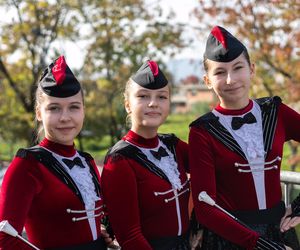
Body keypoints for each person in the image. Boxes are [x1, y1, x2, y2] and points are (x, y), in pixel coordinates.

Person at [189, 25, 300, 250]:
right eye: (220, 72)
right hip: (229, 239)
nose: (230, 79)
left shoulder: (276, 112)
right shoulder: (202, 131)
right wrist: (260, 245)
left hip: (280, 230)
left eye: (237, 68)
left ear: (251, 69)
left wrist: (299, 206)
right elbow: (205, 208)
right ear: (207, 80)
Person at [0, 55, 112, 249]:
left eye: (74, 107)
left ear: (83, 110)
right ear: (38, 113)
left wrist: (97, 234)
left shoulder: (86, 161)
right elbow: (4, 237)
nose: (65, 117)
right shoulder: (27, 164)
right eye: (54, 108)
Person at [101, 60, 190, 250]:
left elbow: (218, 166)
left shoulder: (173, 146)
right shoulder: (120, 159)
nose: (153, 103)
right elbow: (129, 236)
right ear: (127, 105)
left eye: (162, 97)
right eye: (143, 96)